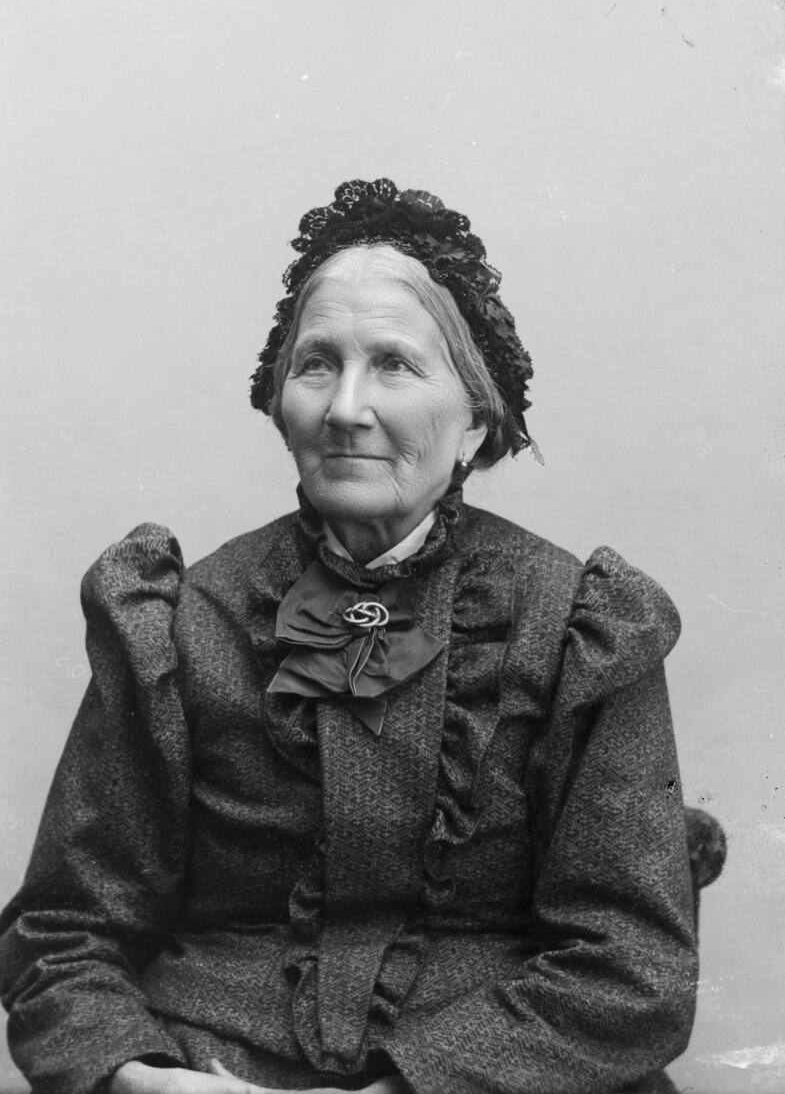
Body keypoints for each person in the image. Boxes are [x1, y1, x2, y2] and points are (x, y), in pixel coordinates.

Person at [0, 178, 698, 1094]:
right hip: (213, 1071)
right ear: (279, 400)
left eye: (395, 365)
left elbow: (632, 967)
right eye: (317, 364)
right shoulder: (183, 619)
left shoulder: (576, 624)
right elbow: (65, 934)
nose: (344, 407)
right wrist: (143, 1076)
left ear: (475, 419)